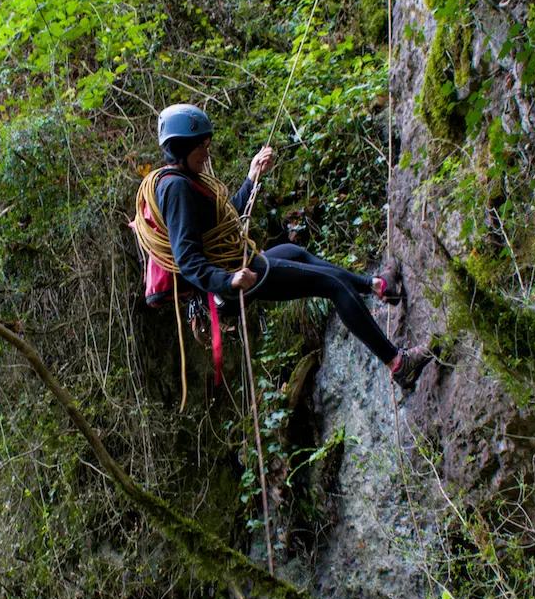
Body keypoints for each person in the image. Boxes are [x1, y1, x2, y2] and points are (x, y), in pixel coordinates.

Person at [149, 103, 431, 390]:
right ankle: (398, 364)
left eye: (207, 145)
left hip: (238, 269)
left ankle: (378, 286)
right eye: (200, 147)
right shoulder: (176, 188)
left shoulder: (185, 182)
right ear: (180, 147)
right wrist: (228, 280)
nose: (206, 153)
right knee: (333, 285)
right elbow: (186, 257)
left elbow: (224, 221)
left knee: (294, 253)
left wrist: (251, 178)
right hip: (236, 277)